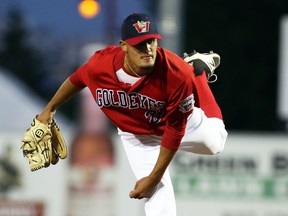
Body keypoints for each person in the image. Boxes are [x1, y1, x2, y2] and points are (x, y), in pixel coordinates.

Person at [36, 12, 228, 216]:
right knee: (157, 195)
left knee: (215, 143)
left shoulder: (176, 73)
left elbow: (174, 130)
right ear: (124, 46)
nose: (147, 49)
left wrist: (152, 178)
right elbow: (77, 78)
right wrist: (50, 109)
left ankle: (199, 72)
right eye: (139, 44)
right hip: (137, 134)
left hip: (176, 123)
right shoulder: (101, 65)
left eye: (151, 41)